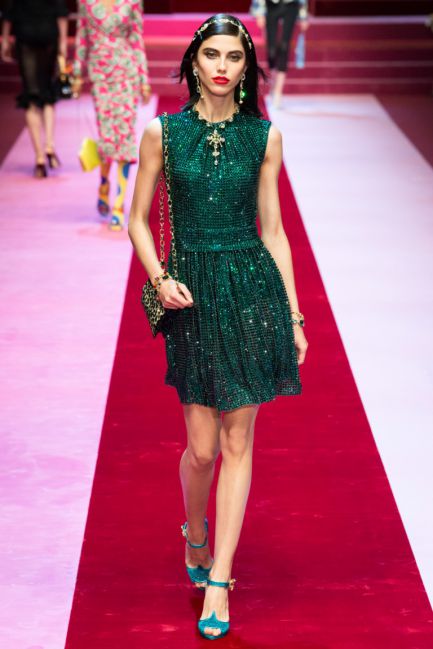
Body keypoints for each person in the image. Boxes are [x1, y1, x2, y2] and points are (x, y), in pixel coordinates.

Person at [128, 13, 308, 640]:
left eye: (235, 57)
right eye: (213, 55)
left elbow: (274, 231)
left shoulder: (264, 136)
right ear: (194, 63)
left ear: (246, 67)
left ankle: (220, 581)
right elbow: (137, 219)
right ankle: (196, 530)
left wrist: (293, 314)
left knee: (237, 442)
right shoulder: (163, 133)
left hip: (252, 291)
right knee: (202, 449)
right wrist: (158, 277)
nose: (223, 67)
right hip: (191, 297)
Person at [72, 0, 151, 231]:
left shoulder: (132, 2)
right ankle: (104, 183)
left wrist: (144, 80)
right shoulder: (86, 2)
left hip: (126, 72)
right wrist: (76, 73)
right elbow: (82, 36)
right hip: (100, 74)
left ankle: (119, 205)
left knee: (125, 137)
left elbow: (137, 39)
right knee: (107, 137)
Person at [1, 0, 68, 178]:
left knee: (31, 96)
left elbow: (9, 9)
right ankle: (49, 146)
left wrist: (5, 39)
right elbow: (61, 10)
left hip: (26, 35)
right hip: (48, 34)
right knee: (47, 92)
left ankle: (39, 157)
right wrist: (63, 41)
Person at [250, 0, 309, 108]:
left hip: (291, 5)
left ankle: (278, 91)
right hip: (272, 5)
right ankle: (273, 83)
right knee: (272, 50)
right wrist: (259, 12)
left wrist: (303, 16)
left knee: (284, 46)